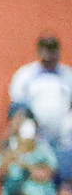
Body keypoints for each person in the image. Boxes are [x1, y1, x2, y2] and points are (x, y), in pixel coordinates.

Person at [10, 34, 71, 162]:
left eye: (53, 50)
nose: (49, 54)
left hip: (62, 131)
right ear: (39, 51)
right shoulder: (25, 74)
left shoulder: (68, 75)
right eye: (46, 50)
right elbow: (17, 106)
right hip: (35, 129)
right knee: (26, 129)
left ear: (59, 52)